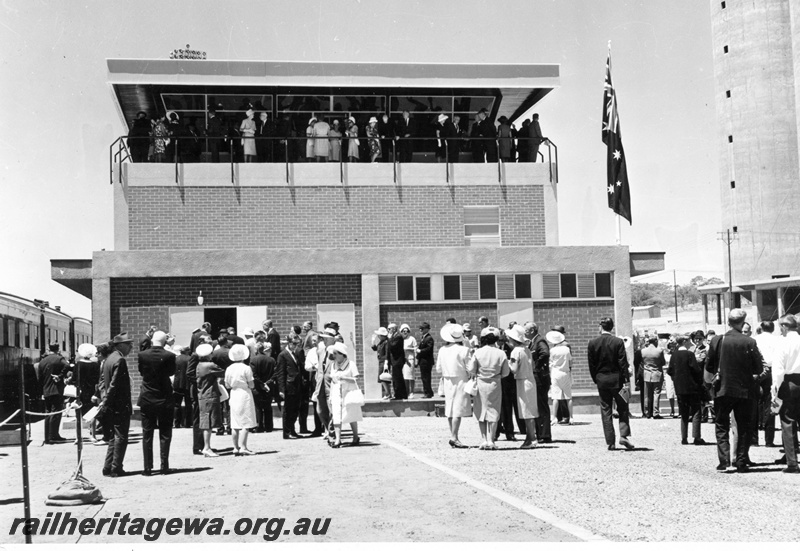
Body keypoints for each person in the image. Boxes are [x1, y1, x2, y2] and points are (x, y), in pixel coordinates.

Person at [705, 308, 765, 472]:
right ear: (743, 322)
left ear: (728, 322)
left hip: (723, 389)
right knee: (744, 426)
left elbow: (709, 366)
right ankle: (741, 461)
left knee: (721, 424)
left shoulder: (718, 340)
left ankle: (724, 460)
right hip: (745, 390)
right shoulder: (749, 342)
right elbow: (758, 367)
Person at [588, 317, 634, 450]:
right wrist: (625, 380)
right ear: (612, 327)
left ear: (600, 326)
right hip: (617, 380)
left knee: (606, 410)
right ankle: (624, 435)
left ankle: (610, 441)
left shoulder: (592, 343)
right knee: (623, 408)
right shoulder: (618, 342)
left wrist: (596, 378)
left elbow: (592, 365)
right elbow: (622, 362)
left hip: (602, 380)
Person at [137, 331, 176, 476]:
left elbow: (142, 372)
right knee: (165, 433)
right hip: (164, 397)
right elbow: (171, 372)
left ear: (152, 340)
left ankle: (147, 467)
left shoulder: (142, 355)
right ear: (165, 341)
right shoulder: (169, 356)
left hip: (147, 397)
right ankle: (164, 466)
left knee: (147, 434)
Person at [98, 333, 135, 477]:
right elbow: (114, 385)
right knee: (121, 437)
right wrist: (106, 402)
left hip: (112, 405)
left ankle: (108, 466)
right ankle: (116, 468)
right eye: (128, 344)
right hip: (119, 405)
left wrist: (104, 401)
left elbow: (103, 383)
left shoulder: (109, 359)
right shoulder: (119, 360)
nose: (131, 347)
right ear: (120, 345)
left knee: (113, 437)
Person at [469, 328, 511, 450]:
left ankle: (483, 439)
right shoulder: (501, 353)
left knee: (480, 410)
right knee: (494, 411)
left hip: (481, 382)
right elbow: (506, 372)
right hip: (495, 383)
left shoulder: (478, 352)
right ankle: (491, 440)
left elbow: (472, 369)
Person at [435, 324, 472, 448]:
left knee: (450, 408)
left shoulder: (442, 349)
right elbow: (470, 367)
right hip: (461, 379)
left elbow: (438, 369)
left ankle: (453, 435)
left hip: (447, 380)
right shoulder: (464, 350)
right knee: (457, 409)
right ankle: (454, 437)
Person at [772, 315, 800, 473]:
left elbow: (778, 371)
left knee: (788, 422)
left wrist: (774, 392)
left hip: (788, 383)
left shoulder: (782, 343)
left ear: (784, 327)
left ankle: (792, 463)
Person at [667, 334, 705, 445]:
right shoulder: (690, 354)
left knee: (683, 413)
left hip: (680, 388)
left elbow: (670, 371)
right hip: (692, 387)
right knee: (696, 411)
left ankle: (684, 437)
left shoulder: (674, 355)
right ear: (684, 342)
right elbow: (696, 369)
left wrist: (676, 379)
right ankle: (696, 437)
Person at [506, 325, 539, 448]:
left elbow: (514, 369)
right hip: (529, 379)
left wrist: (507, 362)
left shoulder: (516, 351)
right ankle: (531, 437)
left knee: (526, 411)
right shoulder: (526, 349)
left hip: (522, 381)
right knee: (529, 410)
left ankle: (531, 438)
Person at [328, 342, 363, 448]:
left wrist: (344, 378)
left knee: (351, 415)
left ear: (342, 354)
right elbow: (332, 381)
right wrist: (330, 395)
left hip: (348, 393)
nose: (333, 356)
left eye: (335, 353)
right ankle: (338, 439)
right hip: (336, 392)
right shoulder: (333, 365)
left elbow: (357, 378)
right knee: (336, 415)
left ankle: (355, 437)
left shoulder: (351, 364)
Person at [224, 344, 257, 455]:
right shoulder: (246, 368)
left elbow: (227, 385)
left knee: (235, 422)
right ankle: (243, 446)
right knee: (246, 421)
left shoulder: (229, 368)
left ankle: (235, 447)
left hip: (234, 393)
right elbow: (251, 384)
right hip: (244, 393)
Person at [195, 343, 225, 457]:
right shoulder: (210, 365)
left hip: (202, 394)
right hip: (210, 394)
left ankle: (206, 446)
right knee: (208, 422)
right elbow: (223, 372)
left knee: (205, 420)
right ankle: (206, 447)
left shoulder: (199, 365)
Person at [754, 320, 780, 447]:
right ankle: (769, 440)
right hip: (773, 370)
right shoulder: (777, 340)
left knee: (755, 402)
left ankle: (754, 439)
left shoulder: (755, 339)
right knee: (770, 403)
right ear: (773, 328)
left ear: (761, 328)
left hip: (759, 371)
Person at [38, 342, 69, 444]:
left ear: (48, 348)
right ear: (58, 348)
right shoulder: (59, 358)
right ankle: (54, 435)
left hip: (46, 390)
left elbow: (40, 378)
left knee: (48, 412)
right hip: (56, 389)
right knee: (56, 412)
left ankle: (47, 436)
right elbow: (67, 365)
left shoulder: (42, 361)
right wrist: (60, 376)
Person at [526, 322, 551, 443]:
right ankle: (540, 432)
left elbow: (545, 353)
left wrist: (536, 366)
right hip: (537, 378)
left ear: (532, 330)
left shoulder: (540, 341)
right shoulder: (532, 342)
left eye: (526, 330)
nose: (525, 333)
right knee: (538, 406)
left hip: (540, 378)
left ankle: (544, 434)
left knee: (542, 406)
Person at [70, 343, 100, 442]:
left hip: (80, 392)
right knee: (92, 414)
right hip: (91, 392)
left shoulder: (78, 365)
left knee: (78, 414)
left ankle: (78, 437)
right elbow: (98, 380)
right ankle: (93, 435)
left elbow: (73, 379)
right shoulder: (95, 365)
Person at [277, 334, 304, 439]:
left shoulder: (295, 354)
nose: (295, 346)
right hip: (289, 385)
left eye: (297, 344)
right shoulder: (283, 355)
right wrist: (281, 389)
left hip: (296, 385)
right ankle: (287, 432)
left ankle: (292, 430)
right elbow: (280, 373)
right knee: (288, 410)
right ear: (288, 343)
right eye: (293, 343)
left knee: (295, 409)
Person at [547, 329, 574, 424]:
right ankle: (571, 417)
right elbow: (571, 362)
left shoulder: (552, 350)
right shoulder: (566, 349)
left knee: (555, 397)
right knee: (568, 396)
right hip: (566, 372)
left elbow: (550, 363)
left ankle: (554, 417)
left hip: (555, 373)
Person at [251, 341, 276, 433]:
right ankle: (269, 426)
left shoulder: (253, 360)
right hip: (269, 387)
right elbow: (275, 373)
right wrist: (267, 383)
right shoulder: (271, 360)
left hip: (257, 387)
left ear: (257, 349)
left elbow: (254, 375)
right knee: (268, 406)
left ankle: (259, 426)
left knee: (258, 407)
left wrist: (261, 384)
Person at [641, 336, 666, 419]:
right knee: (656, 393)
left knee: (647, 395)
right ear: (655, 341)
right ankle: (655, 412)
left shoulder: (643, 351)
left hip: (647, 374)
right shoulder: (659, 351)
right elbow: (663, 362)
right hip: (657, 373)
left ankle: (647, 412)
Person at [387, 323, 407, 399]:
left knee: (397, 378)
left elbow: (392, 346)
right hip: (394, 360)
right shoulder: (394, 336)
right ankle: (401, 394)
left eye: (389, 329)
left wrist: (389, 338)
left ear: (394, 329)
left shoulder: (398, 336)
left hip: (397, 360)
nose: (388, 331)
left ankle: (399, 394)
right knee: (397, 377)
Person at [172, 346, 191, 428]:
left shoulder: (176, 359)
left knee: (177, 404)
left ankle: (177, 423)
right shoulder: (190, 358)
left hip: (177, 383)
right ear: (187, 351)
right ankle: (187, 423)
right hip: (188, 383)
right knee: (188, 404)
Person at [416, 322, 435, 398]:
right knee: (424, 377)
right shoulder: (424, 337)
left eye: (422, 328)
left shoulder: (429, 338)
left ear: (427, 329)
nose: (420, 330)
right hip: (423, 361)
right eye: (420, 328)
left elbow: (429, 349)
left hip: (426, 361)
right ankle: (428, 392)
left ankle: (428, 393)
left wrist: (420, 351)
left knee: (426, 377)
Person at [373, 327, 391, 400]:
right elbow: (375, 349)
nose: (378, 336)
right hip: (381, 361)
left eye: (379, 335)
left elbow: (387, 352)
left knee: (384, 378)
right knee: (382, 378)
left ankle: (388, 393)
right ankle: (387, 393)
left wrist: (386, 362)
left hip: (384, 361)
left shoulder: (386, 342)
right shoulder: (381, 342)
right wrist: (373, 342)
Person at [400, 324, 417, 398]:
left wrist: (416, 360)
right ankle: (406, 392)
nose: (405, 332)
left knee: (411, 377)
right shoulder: (400, 339)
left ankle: (412, 392)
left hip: (410, 359)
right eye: (403, 331)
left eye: (406, 331)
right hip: (403, 360)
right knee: (405, 377)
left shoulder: (412, 339)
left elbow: (416, 349)